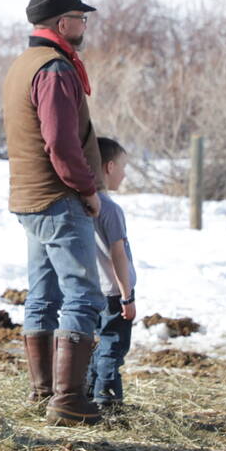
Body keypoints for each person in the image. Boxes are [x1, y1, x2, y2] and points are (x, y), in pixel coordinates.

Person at [2, 0, 105, 426]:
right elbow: (60, 143)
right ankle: (67, 400)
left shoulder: (23, 64)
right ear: (63, 23)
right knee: (83, 295)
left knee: (43, 297)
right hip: (58, 198)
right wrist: (87, 188)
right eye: (81, 18)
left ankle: (43, 391)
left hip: (29, 198)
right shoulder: (55, 69)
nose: (85, 25)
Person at [86, 136, 137, 413]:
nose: (124, 173)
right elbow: (118, 254)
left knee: (97, 344)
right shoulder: (111, 210)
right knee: (113, 346)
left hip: (92, 290)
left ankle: (89, 390)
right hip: (114, 292)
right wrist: (127, 296)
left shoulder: (82, 206)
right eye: (122, 167)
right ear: (108, 167)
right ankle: (107, 398)